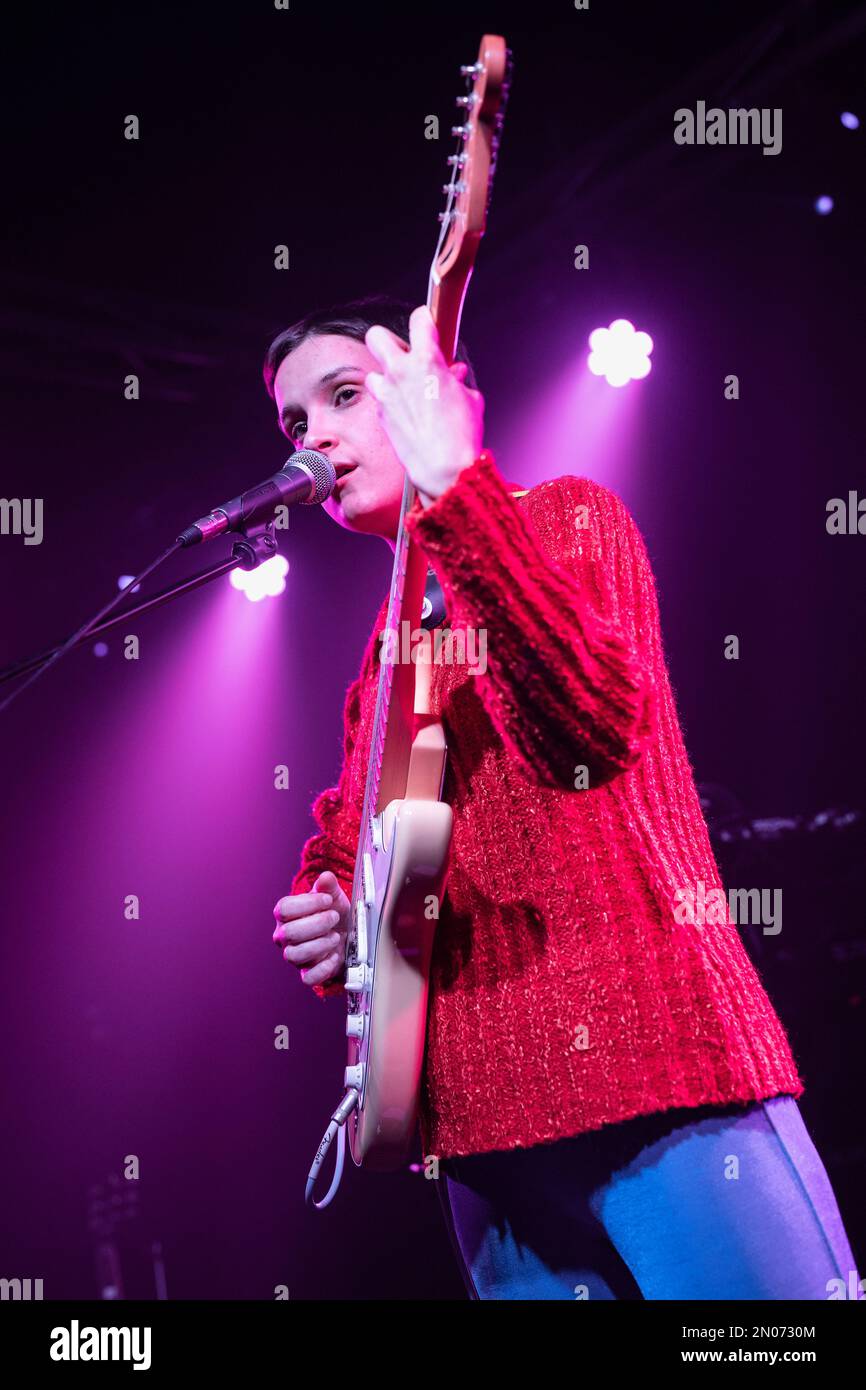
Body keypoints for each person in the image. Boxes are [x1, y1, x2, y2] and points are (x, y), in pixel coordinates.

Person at [265, 294, 861, 1300]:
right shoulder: (379, 657)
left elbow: (582, 724)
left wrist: (457, 490)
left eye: (341, 395)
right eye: (293, 422)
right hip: (482, 1151)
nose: (312, 435)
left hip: (652, 1075)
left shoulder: (562, 515)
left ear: (427, 392)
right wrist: (325, 912)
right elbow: (345, 839)